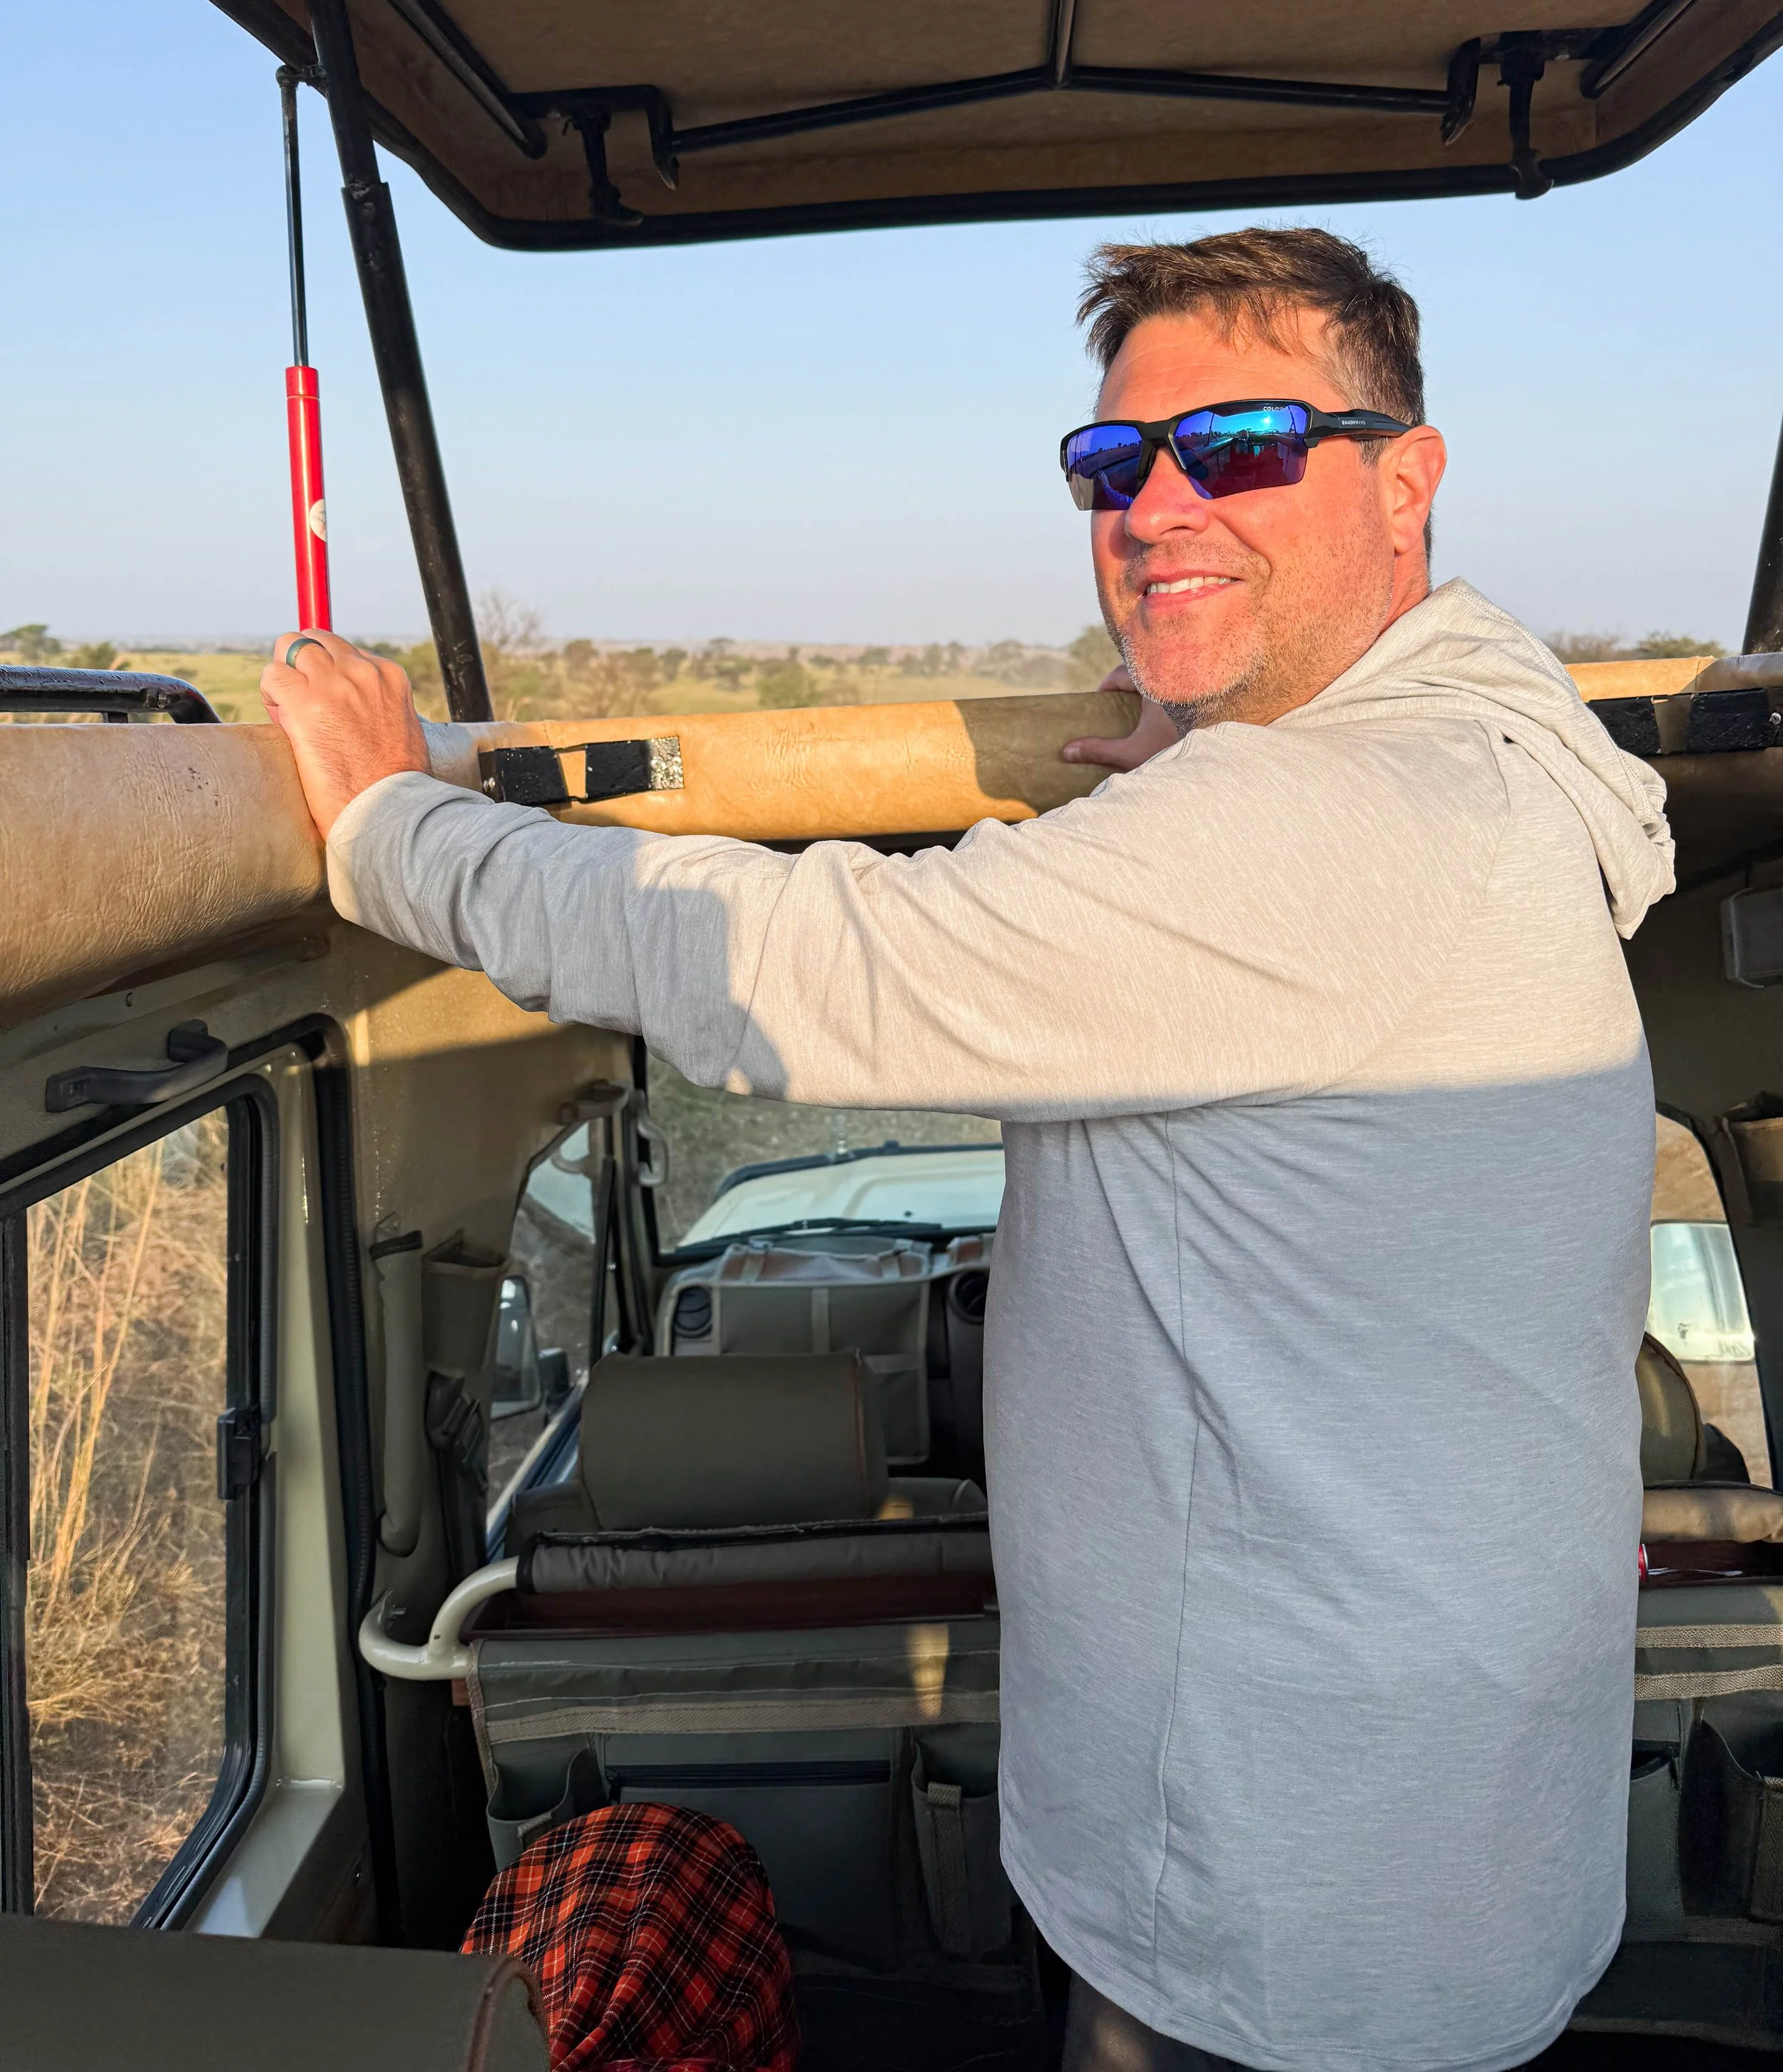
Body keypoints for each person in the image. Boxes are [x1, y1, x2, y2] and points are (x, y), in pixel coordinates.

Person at [262, 228, 1673, 2072]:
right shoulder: (1489, 748)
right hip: (1432, 1839)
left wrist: (391, 824)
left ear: (1404, 474)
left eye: (1238, 444)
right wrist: (1188, 751)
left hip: (1277, 1910)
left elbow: (808, 970)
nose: (1154, 505)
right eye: (1111, 463)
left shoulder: (1330, 814)